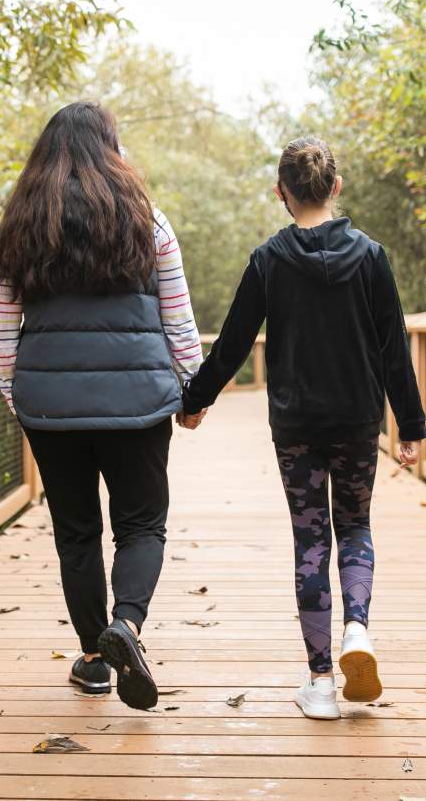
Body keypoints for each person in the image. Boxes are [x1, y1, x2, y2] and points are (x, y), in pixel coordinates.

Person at [179, 136, 425, 720]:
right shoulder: (370, 257)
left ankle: (319, 684)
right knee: (356, 527)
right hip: (359, 419)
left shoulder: (268, 260)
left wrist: (194, 400)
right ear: (335, 187)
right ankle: (357, 631)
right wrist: (411, 423)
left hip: (295, 424)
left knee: (311, 540)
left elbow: (234, 342)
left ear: (281, 193)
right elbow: (394, 350)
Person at [0, 101, 202, 709]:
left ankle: (93, 658)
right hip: (137, 404)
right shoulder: (146, 221)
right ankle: (126, 626)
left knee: (75, 532)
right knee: (141, 524)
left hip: (50, 407)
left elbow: (4, 330)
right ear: (114, 150)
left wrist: (18, 396)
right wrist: (192, 393)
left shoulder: (22, 226)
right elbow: (178, 321)